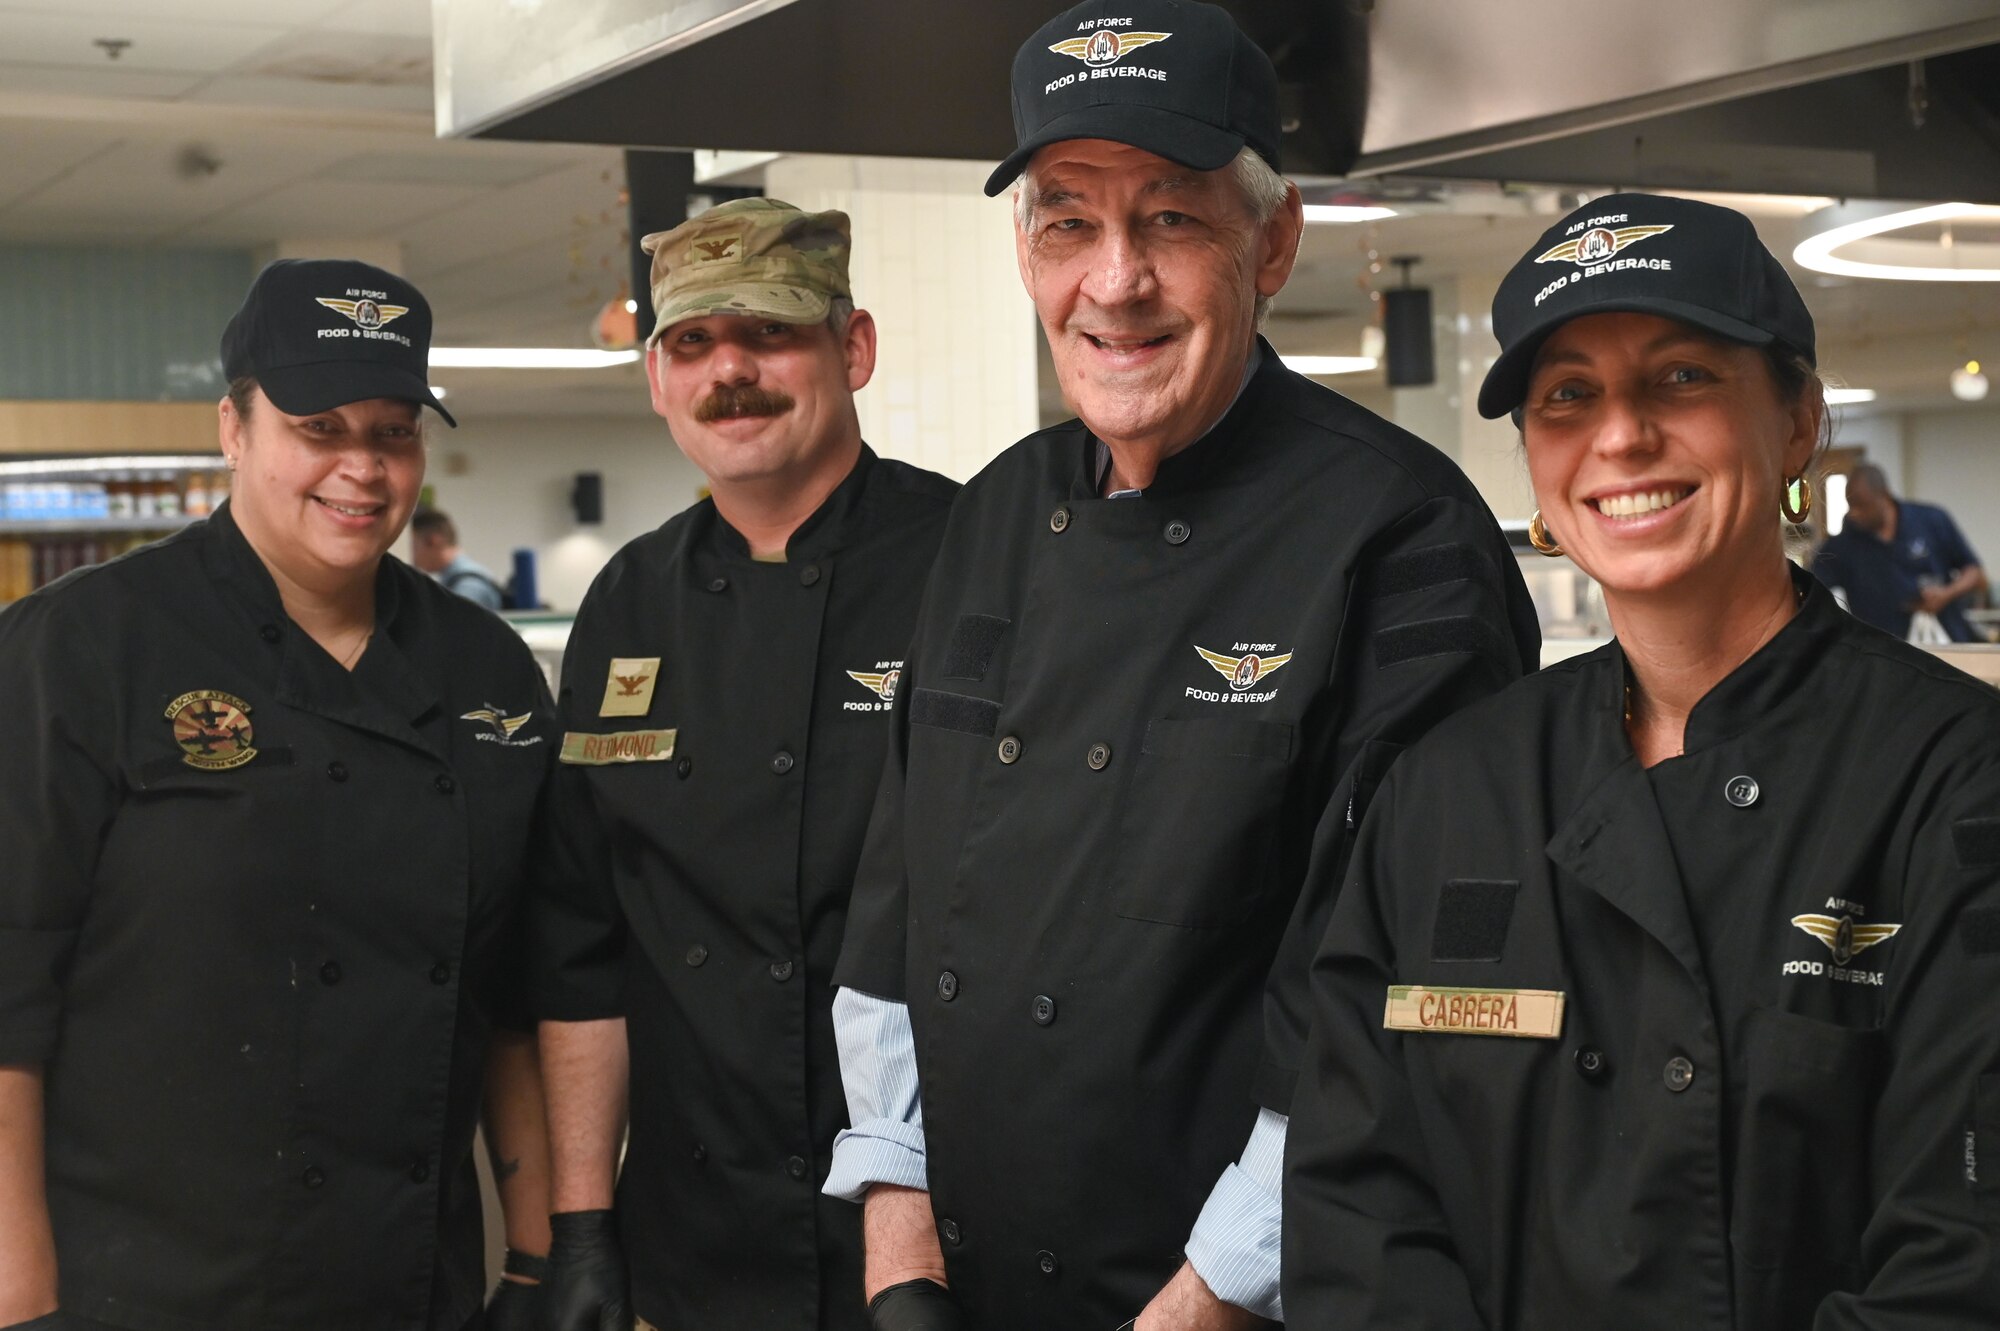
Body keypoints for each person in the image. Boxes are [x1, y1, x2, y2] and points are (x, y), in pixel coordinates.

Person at [826, 3, 1539, 1326]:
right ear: (1026, 253)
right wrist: (894, 1218)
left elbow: (1406, 987)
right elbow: (897, 896)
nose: (1114, 281)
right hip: (962, 1276)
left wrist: (1209, 1293)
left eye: (1168, 218)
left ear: (1271, 241)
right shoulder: (992, 513)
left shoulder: (1401, 534)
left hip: (1253, 1287)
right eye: (1067, 223)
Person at [1282, 193, 2000, 1327]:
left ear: (1798, 421)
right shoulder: (1446, 788)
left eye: (1681, 377)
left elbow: (1961, 1266)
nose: (1619, 435)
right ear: (1534, 460)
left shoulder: (1954, 776)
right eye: (1567, 395)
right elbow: (1355, 1207)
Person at [0, 258, 554, 1331]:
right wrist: (20, 1300)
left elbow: (514, 995)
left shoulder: (483, 666)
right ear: (234, 428)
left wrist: (538, 1257)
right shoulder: (80, 646)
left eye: (393, 432)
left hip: (402, 1283)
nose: (363, 467)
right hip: (143, 1289)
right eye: (319, 427)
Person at [529, 198, 957, 1331]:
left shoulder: (976, 563)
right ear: (657, 378)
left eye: (770, 331)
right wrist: (582, 1226)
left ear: (852, 348)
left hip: (942, 1236)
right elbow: (582, 949)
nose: (730, 371)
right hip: (694, 1244)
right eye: (692, 342)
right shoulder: (626, 602)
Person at [1814, 462, 1986, 641]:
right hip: (1880, 645)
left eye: (1863, 505)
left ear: (1885, 495)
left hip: (1943, 637)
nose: (1855, 513)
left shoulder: (1931, 521)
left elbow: (1975, 573)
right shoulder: (1844, 543)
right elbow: (1814, 587)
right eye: (1851, 505)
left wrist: (1946, 594)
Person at [412, 508, 507, 611]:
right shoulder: (458, 582)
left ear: (433, 541)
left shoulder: (468, 586)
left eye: (414, 546)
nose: (412, 555)